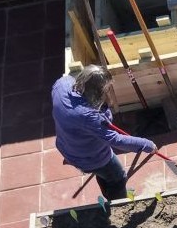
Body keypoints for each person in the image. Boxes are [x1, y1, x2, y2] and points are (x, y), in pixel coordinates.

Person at [50, 63, 155, 202]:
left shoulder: (62, 85)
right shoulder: (88, 116)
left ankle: (110, 193)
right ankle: (118, 201)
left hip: (67, 145)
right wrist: (147, 145)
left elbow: (68, 83)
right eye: (106, 89)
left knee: (104, 173)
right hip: (91, 157)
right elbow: (115, 140)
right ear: (97, 91)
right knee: (118, 177)